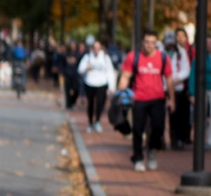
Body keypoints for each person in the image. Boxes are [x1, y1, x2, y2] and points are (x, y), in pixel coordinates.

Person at [117, 30, 171, 171]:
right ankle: (138, 158)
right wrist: (120, 95)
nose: (149, 45)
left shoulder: (163, 57)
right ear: (142, 42)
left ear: (156, 43)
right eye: (146, 42)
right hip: (139, 98)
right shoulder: (133, 57)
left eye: (152, 42)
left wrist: (172, 99)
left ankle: (152, 150)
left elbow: (169, 79)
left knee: (158, 127)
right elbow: (125, 76)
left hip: (158, 98)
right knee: (138, 130)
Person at [189, 39, 211, 150]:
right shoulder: (199, 58)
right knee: (201, 114)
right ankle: (200, 140)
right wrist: (192, 93)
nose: (209, 45)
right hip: (203, 89)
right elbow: (193, 75)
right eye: (206, 42)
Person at [78, 37, 115, 132]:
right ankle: (90, 122)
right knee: (90, 103)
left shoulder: (105, 58)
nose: (96, 50)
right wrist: (86, 68)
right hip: (90, 83)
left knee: (100, 103)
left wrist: (111, 86)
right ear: (92, 48)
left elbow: (110, 72)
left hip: (102, 84)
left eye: (98, 48)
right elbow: (80, 70)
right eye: (95, 47)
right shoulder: (87, 57)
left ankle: (97, 121)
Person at [165, 29, 193, 149]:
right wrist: (167, 81)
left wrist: (176, 79)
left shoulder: (181, 52)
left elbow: (186, 69)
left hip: (179, 88)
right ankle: (173, 139)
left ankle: (180, 139)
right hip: (165, 88)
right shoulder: (162, 52)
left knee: (181, 115)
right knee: (171, 116)